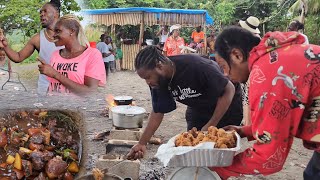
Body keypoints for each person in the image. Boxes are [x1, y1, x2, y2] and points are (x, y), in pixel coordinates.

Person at [211, 26, 320, 179]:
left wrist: (218, 169)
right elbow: (278, 121)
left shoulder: (265, 73)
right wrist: (244, 131)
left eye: (223, 66)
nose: (225, 75)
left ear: (236, 55)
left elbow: (269, 157)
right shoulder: (278, 55)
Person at [127, 45, 243, 160]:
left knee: (221, 151)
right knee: (194, 149)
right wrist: (142, 143)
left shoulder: (196, 66)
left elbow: (229, 89)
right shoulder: (158, 82)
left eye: (148, 77)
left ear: (159, 66)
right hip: (198, 108)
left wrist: (210, 125)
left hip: (227, 104)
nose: (148, 82)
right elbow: (158, 112)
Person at [0, 0, 63, 95]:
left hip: (67, 90)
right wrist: (5, 46)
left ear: (56, 14)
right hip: (44, 92)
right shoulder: (37, 39)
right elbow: (18, 57)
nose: (41, 14)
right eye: (40, 12)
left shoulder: (70, 35)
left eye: (45, 11)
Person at [38, 14, 106, 96]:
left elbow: (90, 92)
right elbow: (52, 85)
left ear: (72, 31)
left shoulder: (92, 55)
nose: (54, 35)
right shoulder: (55, 55)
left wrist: (55, 74)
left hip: (77, 108)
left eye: (58, 31)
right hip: (55, 107)